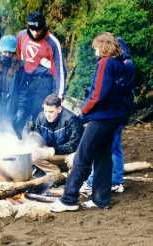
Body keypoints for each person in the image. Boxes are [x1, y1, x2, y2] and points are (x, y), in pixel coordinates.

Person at [51, 32, 135, 212]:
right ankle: (101, 199)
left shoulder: (106, 63)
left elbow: (98, 94)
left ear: (103, 46)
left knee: (82, 157)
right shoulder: (123, 64)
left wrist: (83, 112)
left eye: (96, 47)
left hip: (101, 119)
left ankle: (69, 199)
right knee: (103, 158)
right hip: (114, 118)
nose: (95, 51)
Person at [80, 37, 134, 195]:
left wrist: (85, 111)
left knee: (104, 148)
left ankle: (94, 182)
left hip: (111, 114)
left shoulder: (114, 64)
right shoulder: (125, 64)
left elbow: (101, 93)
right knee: (115, 147)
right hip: (120, 112)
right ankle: (116, 181)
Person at [16, 11, 67, 126]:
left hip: (43, 82)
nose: (35, 33)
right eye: (32, 29)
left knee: (38, 116)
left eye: (38, 30)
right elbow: (16, 61)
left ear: (43, 27)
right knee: (18, 113)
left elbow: (60, 71)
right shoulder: (21, 36)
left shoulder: (53, 42)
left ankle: (34, 140)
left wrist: (58, 96)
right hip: (25, 79)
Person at [31, 94, 83, 174]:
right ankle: (55, 172)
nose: (47, 115)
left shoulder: (71, 119)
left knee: (75, 159)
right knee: (33, 154)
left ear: (59, 109)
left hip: (68, 156)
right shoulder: (41, 117)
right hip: (51, 154)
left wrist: (54, 150)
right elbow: (36, 136)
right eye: (45, 111)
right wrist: (36, 144)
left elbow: (74, 145)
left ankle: (67, 173)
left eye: (51, 112)